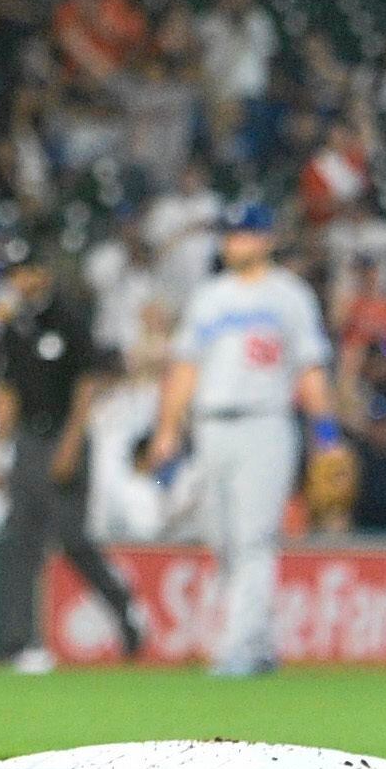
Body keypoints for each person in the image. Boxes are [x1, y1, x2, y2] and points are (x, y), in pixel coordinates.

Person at [146, 203, 341, 677]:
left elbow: (310, 370)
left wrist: (328, 434)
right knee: (221, 538)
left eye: (245, 234)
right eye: (230, 234)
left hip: (266, 424)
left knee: (254, 539)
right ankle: (261, 644)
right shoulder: (209, 297)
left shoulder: (289, 296)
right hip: (211, 427)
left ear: (266, 239)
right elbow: (185, 367)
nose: (235, 242)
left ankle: (236, 650)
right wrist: (168, 430)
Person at [0, 262, 143, 672]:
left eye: (25, 272)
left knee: (71, 536)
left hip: (64, 433)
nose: (19, 281)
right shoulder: (13, 326)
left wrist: (72, 443)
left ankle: (125, 609)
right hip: (29, 437)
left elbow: (87, 383)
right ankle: (19, 642)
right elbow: (10, 390)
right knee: (21, 539)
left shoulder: (68, 316)